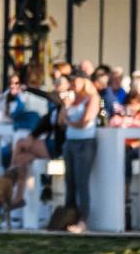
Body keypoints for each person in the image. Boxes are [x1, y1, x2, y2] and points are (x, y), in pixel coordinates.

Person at [10, 76, 73, 207]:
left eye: (59, 83)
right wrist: (32, 136)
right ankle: (18, 198)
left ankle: (10, 176)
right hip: (51, 144)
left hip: (59, 147)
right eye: (55, 83)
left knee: (20, 143)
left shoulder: (68, 102)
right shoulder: (56, 107)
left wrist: (28, 89)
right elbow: (45, 124)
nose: (56, 85)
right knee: (22, 159)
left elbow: (48, 98)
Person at [62, 72, 101, 233]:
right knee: (69, 181)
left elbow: (85, 121)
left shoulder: (92, 98)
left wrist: (70, 122)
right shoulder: (71, 99)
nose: (73, 83)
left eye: (76, 80)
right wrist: (65, 107)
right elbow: (60, 121)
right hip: (70, 142)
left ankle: (83, 220)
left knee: (81, 181)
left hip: (85, 144)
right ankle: (68, 217)